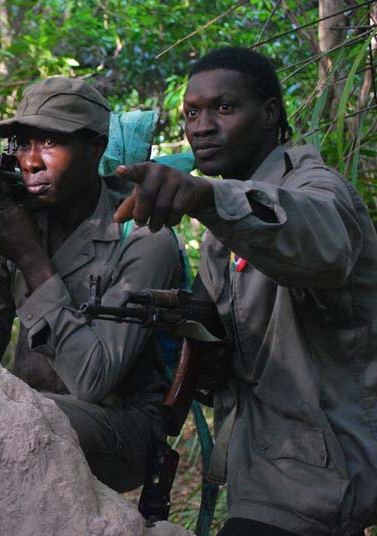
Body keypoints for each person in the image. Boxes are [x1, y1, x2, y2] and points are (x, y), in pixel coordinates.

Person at [114, 47, 377, 535]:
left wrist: (206, 196)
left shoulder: (316, 185)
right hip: (263, 478)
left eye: (224, 108)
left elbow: (322, 240)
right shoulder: (222, 230)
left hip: (319, 485)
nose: (202, 126)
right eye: (192, 112)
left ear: (270, 114)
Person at [0, 76, 183, 491]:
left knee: (13, 417)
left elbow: (94, 380)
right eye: (21, 144)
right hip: (27, 411)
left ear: (96, 148)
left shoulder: (143, 237)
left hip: (122, 429)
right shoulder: (20, 221)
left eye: (50, 142)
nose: (30, 161)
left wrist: (32, 259)